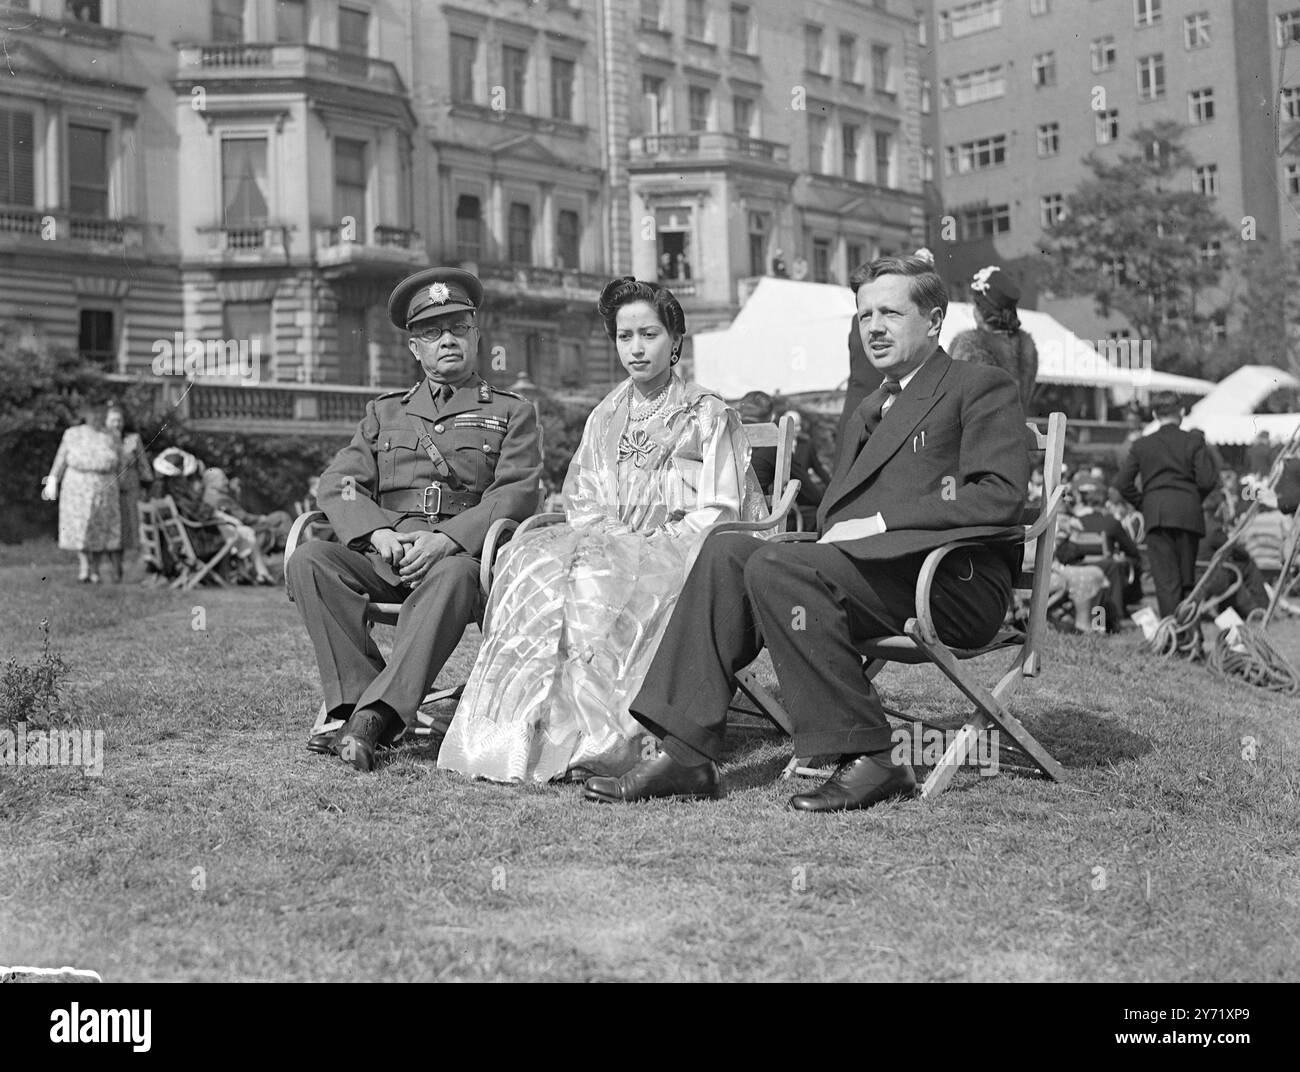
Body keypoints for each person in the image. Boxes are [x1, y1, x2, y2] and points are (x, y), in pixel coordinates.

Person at [580, 253, 1030, 812]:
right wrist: (843, 535)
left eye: (890, 313)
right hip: (870, 573)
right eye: (864, 316)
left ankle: (875, 756)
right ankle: (686, 752)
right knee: (726, 551)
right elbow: (836, 518)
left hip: (949, 580)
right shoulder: (871, 407)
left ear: (934, 321)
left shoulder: (978, 386)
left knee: (776, 563)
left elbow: (1000, 495)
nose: (874, 328)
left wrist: (888, 522)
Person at [437, 278, 766, 784]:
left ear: (675, 339)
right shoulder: (606, 413)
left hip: (685, 552)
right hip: (611, 541)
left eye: (649, 334)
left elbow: (721, 508)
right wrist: (609, 535)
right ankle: (526, 729)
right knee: (536, 564)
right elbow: (582, 495)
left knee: (599, 579)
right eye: (624, 336)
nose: (636, 348)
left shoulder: (706, 413)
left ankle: (606, 741)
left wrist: (653, 544)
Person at [285, 267, 542, 772]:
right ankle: (359, 702)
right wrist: (377, 532)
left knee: (450, 574)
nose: (448, 340)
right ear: (414, 348)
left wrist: (446, 540)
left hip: (463, 566)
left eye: (459, 328)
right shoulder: (384, 414)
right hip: (388, 557)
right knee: (309, 559)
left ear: (476, 336)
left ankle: (371, 719)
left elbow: (516, 492)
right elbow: (339, 482)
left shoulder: (511, 412)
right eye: (432, 332)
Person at [1116, 391, 1217, 618]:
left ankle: (1173, 638)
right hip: (1188, 514)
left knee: (1165, 581)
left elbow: (1122, 483)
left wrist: (1145, 504)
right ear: (1181, 413)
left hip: (1157, 514)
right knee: (1186, 579)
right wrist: (1191, 499)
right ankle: (1190, 637)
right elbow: (1208, 480)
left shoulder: (1142, 444)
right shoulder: (1194, 440)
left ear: (1154, 414)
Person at [42, 399, 122, 584]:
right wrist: (53, 480)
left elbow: (121, 462)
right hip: (77, 487)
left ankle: (96, 569)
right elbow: (61, 459)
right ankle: (84, 567)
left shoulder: (111, 435)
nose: (97, 417)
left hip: (105, 486)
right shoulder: (72, 434)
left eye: (101, 414)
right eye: (93, 413)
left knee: (101, 528)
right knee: (81, 527)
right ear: (86, 415)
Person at [948, 265, 1038, 411]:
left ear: (980, 311)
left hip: (975, 432)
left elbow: (954, 402)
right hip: (1016, 431)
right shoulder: (1026, 348)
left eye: (975, 304)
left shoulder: (970, 347)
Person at [105, 403, 153, 582]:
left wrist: (146, 487)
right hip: (110, 491)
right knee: (111, 529)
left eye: (119, 420)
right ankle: (114, 567)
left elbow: (143, 465)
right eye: (113, 420)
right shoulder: (102, 440)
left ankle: (123, 568)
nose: (116, 424)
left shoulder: (133, 439)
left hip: (129, 490)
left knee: (128, 530)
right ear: (106, 422)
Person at [202, 467, 293, 555]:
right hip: (245, 530)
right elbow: (243, 517)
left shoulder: (207, 498)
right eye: (223, 479)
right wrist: (260, 518)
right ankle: (297, 548)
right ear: (212, 482)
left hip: (235, 531)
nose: (227, 481)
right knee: (281, 516)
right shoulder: (219, 499)